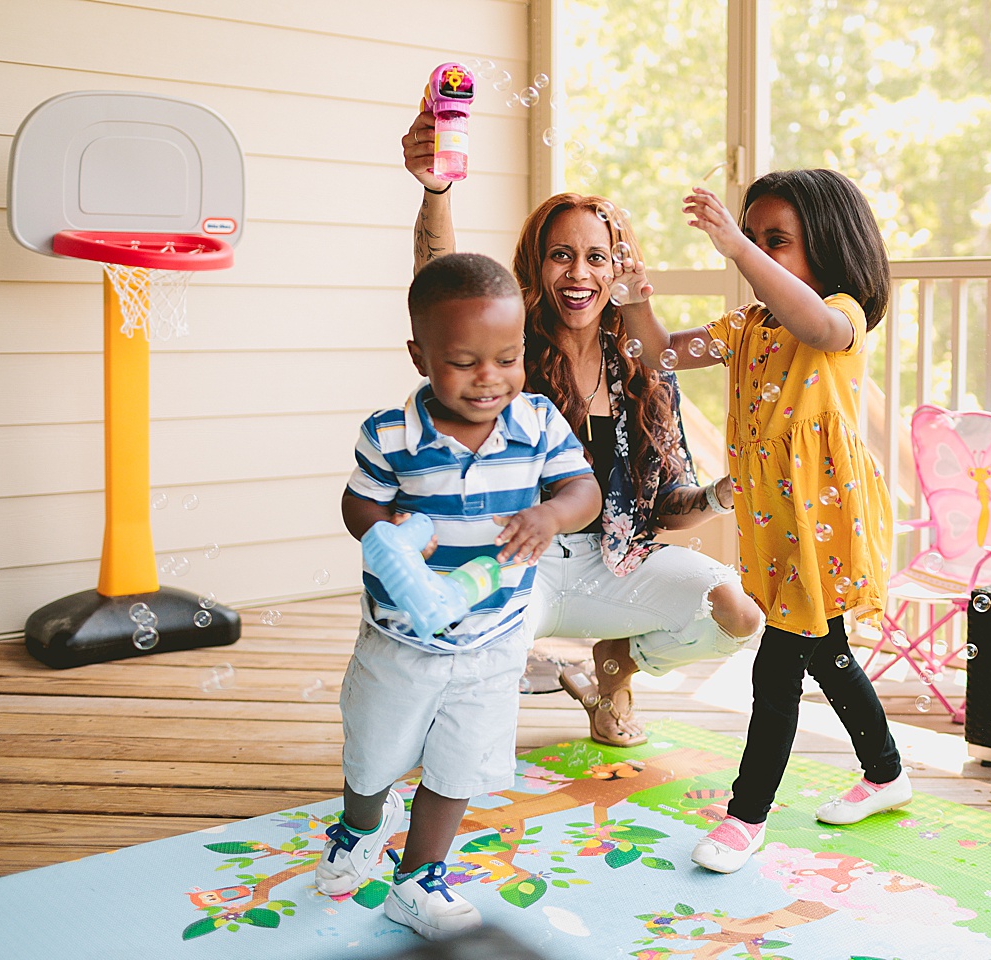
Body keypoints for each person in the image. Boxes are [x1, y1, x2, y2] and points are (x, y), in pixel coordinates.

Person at [402, 111, 766, 748]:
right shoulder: (507, 350)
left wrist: (721, 496)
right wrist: (437, 191)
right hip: (518, 559)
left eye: (596, 257)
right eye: (561, 256)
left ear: (617, 272)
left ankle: (614, 670)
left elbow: (667, 509)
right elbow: (440, 286)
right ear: (535, 267)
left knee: (738, 613)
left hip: (616, 562)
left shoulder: (645, 372)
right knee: (475, 685)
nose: (578, 273)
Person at [619, 169, 910, 875]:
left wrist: (734, 248)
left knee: (778, 667)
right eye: (751, 238)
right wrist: (633, 299)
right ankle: (887, 772)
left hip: (824, 525)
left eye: (775, 241)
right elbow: (660, 354)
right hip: (776, 524)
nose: (752, 253)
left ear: (831, 246)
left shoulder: (840, 317)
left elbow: (812, 320)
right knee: (827, 651)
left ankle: (745, 817)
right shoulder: (746, 327)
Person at [318, 252, 601, 939]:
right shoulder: (390, 434)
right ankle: (360, 825)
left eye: (507, 358)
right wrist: (388, 537)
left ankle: (418, 881)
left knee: (460, 763)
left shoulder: (537, 423)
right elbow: (358, 507)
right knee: (375, 756)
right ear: (421, 355)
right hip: (402, 636)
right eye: (465, 361)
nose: (489, 378)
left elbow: (583, 491)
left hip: (493, 636)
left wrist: (551, 516)